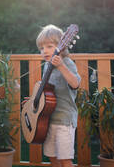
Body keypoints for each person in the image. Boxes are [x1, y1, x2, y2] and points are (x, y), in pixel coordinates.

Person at [35, 24, 81, 167]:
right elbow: (46, 93)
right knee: (52, 156)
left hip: (64, 119)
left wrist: (61, 66)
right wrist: (34, 103)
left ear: (61, 45)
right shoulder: (47, 67)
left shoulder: (67, 63)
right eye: (42, 48)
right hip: (48, 119)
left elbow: (75, 84)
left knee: (65, 159)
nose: (44, 51)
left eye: (49, 46)